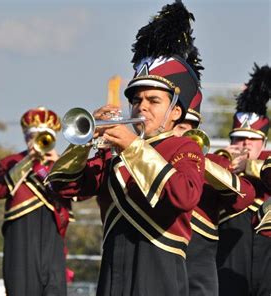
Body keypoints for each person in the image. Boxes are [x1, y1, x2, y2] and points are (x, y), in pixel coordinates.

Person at [47, 2, 206, 295]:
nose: (141, 106)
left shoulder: (184, 147)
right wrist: (84, 142)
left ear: (175, 112)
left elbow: (185, 195)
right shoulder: (113, 151)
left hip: (160, 271)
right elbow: (61, 187)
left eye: (153, 100)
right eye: (136, 99)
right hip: (112, 272)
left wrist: (131, 146)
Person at [173, 104, 256, 296]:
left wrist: (199, 160)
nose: (180, 135)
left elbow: (245, 196)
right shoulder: (147, 160)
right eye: (177, 127)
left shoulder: (213, 162)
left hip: (198, 271)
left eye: (186, 129)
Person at [0, 107, 74, 296]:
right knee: (22, 285)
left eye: (42, 136)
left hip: (53, 229)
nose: (36, 141)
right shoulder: (12, 161)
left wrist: (61, 162)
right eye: (31, 136)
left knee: (54, 285)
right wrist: (29, 159)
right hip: (21, 230)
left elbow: (82, 192)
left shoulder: (59, 162)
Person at [216, 64, 271, 296]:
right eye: (239, 138)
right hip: (228, 270)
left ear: (264, 143)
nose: (246, 144)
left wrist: (250, 166)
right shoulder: (219, 167)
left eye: (252, 138)